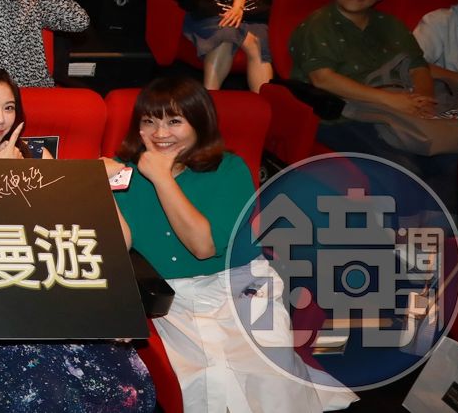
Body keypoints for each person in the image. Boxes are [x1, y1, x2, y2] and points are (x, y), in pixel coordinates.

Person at [109, 77, 357, 413]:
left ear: (199, 123)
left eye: (174, 121)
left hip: (237, 284)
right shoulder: (124, 173)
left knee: (268, 377)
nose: (160, 133)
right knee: (206, 379)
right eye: (149, 122)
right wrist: (99, 189)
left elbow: (203, 247)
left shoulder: (229, 169)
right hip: (173, 296)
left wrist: (162, 177)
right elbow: (121, 243)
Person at [0, 66, 155, 413]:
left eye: (9, 108)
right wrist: (4, 183)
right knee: (43, 397)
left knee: (130, 391)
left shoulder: (38, 158)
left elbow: (115, 241)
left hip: (60, 304)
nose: (0, 119)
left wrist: (93, 183)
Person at [288, 0, 458, 215]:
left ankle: (438, 226)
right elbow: (322, 78)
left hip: (398, 110)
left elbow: (417, 65)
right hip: (343, 114)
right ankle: (406, 227)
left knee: (452, 161)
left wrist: (424, 99)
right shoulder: (318, 24)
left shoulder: (389, 24)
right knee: (403, 170)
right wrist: (392, 101)